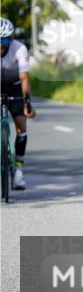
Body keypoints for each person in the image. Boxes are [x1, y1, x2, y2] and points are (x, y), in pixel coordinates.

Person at [0, 18, 35, 190]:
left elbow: (24, 78)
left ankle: (19, 171)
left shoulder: (19, 49)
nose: (1, 46)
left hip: (15, 87)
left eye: (4, 41)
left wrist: (27, 103)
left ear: (11, 39)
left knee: (21, 127)